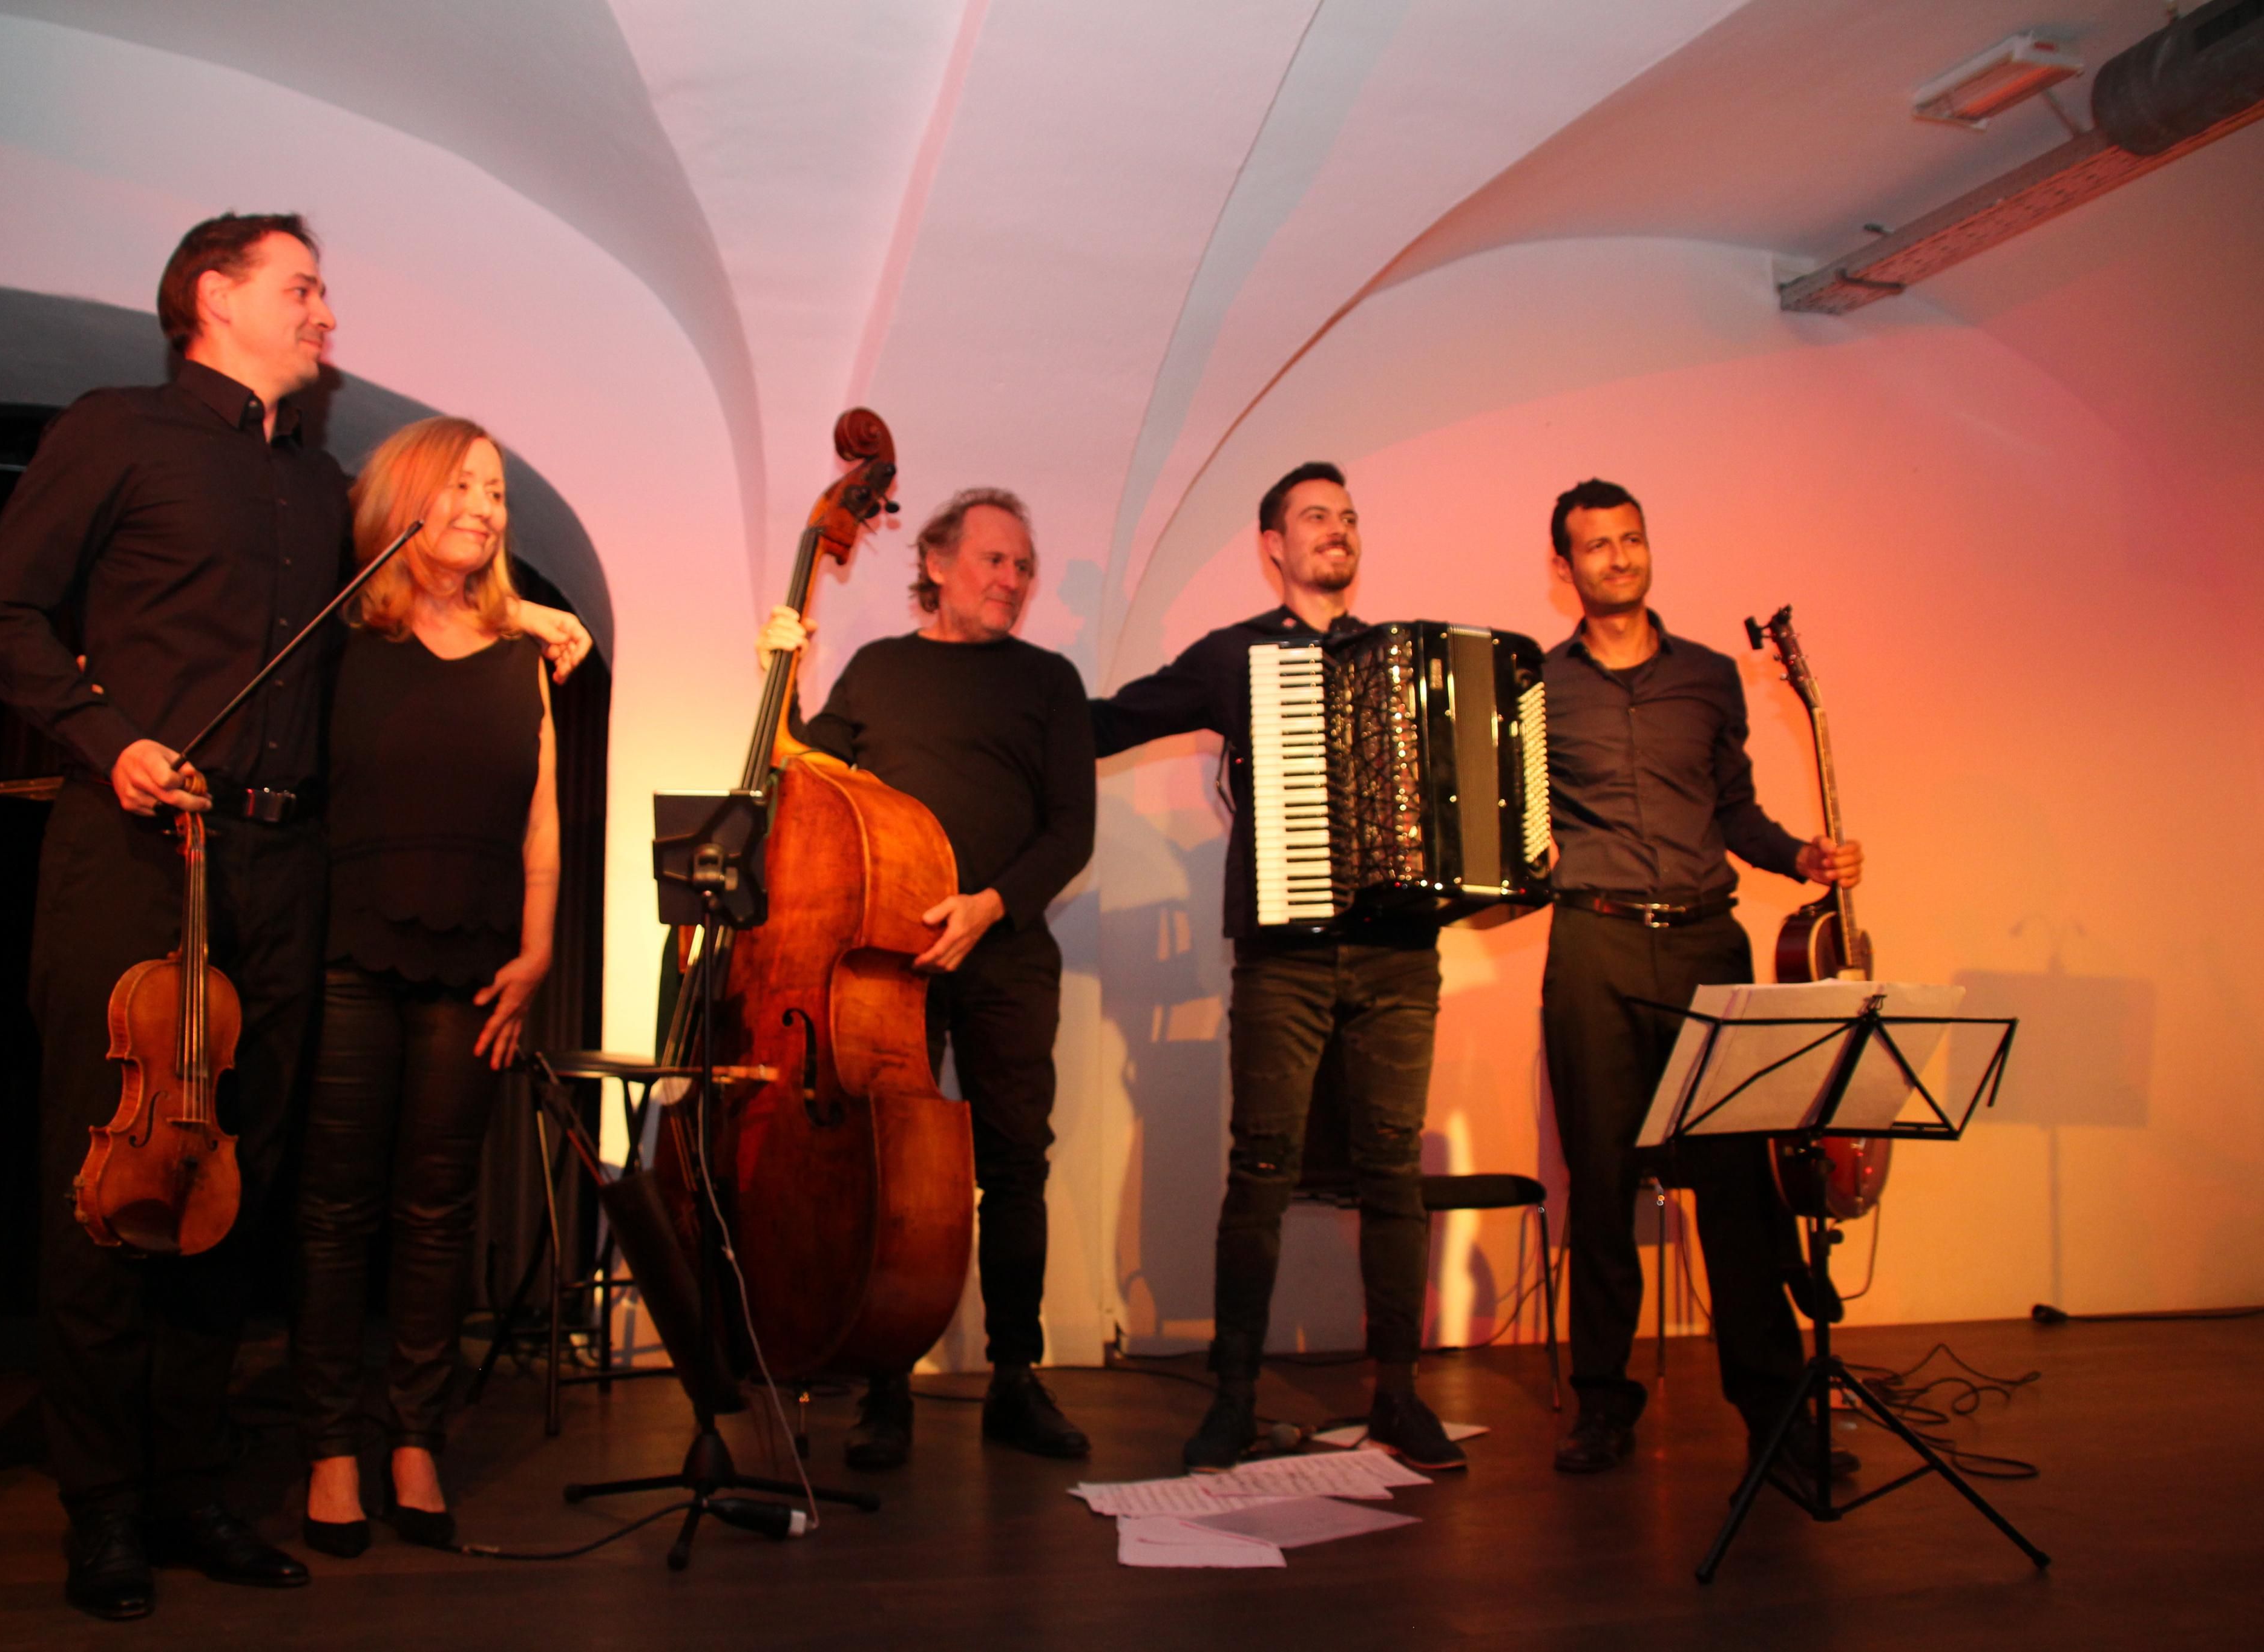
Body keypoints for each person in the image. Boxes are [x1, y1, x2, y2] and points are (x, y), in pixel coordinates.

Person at [0, 214, 588, 1621]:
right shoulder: (115, 431)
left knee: (231, 1183)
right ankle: (102, 1507)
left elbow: (421, 604)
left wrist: (530, 620)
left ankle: (189, 1487)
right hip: (137, 843)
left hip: (287, 868)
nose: (325, 313)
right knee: (106, 1183)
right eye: (302, 286)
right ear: (213, 295)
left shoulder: (324, 487)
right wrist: (106, 737)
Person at [1089, 462, 1462, 1473]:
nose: (1337, 529)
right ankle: (1234, 1398)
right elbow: (1114, 721)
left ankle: (1399, 1395)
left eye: (1348, 516)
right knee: (1260, 1170)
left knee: (1392, 1172)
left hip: (1398, 953)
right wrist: (1017, 714)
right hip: (1284, 957)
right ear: (1273, 546)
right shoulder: (1235, 656)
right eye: (1315, 516)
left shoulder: (1408, 659)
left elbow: (1460, 792)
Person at [755, 488, 1095, 1468]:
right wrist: (781, 675)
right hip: (888, 963)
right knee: (888, 1168)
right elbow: (805, 774)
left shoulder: (1050, 681)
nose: (1013, 579)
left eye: (1024, 566)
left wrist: (989, 905)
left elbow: (1071, 830)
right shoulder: (878, 668)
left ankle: (1015, 1377)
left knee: (1015, 1166)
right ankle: (884, 1386)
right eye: (995, 559)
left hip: (1006, 953)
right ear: (937, 564)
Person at [1538, 477, 1863, 1481]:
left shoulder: (1712, 676)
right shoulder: (1537, 687)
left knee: (1737, 1189)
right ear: (1565, 567)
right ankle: (1603, 1404)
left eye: (1631, 538)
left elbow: (1735, 810)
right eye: (1597, 545)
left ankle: (1775, 1412)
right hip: (1594, 945)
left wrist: (1800, 857)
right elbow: (1516, 820)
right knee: (1601, 1184)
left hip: (1705, 948)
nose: (1619, 557)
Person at [290, 419, 557, 1558]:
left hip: (479, 957)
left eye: (496, 492)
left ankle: (414, 1436)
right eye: (464, 485)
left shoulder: (522, 657)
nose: (487, 508)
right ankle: (329, 1444)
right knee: (336, 1207)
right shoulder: (342, 635)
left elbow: (542, 820)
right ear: (406, 494)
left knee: (439, 1207)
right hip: (353, 946)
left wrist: (536, 953)